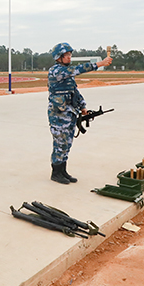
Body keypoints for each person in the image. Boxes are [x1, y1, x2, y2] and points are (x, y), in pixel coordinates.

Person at [48, 42, 113, 184]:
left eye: (70, 54)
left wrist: (83, 106)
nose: (70, 57)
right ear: (59, 57)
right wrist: (100, 63)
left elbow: (74, 91)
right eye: (67, 55)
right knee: (60, 143)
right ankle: (56, 172)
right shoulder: (57, 71)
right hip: (58, 115)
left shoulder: (67, 74)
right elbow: (77, 69)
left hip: (69, 113)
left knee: (67, 143)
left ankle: (63, 171)